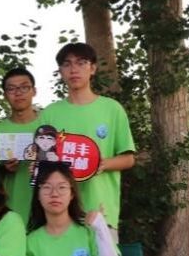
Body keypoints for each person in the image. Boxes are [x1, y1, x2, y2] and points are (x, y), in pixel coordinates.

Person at [39, 43, 135, 239]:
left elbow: (128, 159)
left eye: (81, 63)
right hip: (58, 214)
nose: (74, 69)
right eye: (67, 64)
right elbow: (42, 162)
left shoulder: (112, 109)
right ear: (60, 71)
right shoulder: (49, 114)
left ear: (92, 68)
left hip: (100, 210)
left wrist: (101, 164)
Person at [0, 67, 41, 224]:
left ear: (34, 91)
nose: (18, 93)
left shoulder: (48, 127)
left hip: (45, 209)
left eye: (24, 87)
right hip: (9, 211)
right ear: (5, 95)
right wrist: (4, 169)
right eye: (11, 89)